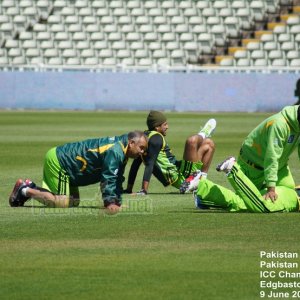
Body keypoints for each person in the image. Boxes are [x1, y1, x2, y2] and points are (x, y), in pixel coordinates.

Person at [9, 131, 148, 213]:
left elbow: (117, 178)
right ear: (131, 143)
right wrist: (110, 203)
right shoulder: (116, 150)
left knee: (74, 202)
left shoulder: (121, 151)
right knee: (63, 203)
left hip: (70, 167)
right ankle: (24, 190)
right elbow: (109, 177)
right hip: (61, 162)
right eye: (141, 148)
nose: (142, 152)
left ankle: (29, 187)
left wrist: (117, 202)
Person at [125, 110, 216, 194]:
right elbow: (149, 164)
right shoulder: (156, 139)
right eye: (164, 124)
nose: (167, 127)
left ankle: (202, 181)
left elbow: (136, 164)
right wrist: (144, 190)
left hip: (180, 169)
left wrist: (129, 188)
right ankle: (204, 133)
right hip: (181, 176)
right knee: (191, 141)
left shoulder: (145, 137)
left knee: (209, 144)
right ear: (157, 127)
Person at [185, 156, 299, 213]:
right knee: (263, 207)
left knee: (244, 202)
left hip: (289, 189)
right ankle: (233, 168)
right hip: (292, 197)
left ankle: (201, 186)